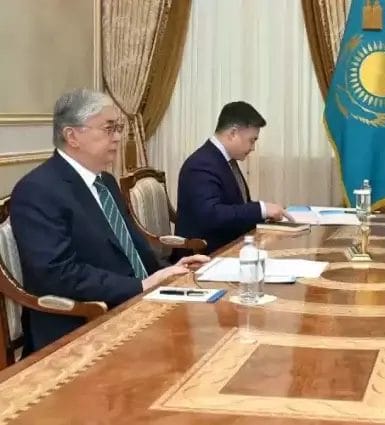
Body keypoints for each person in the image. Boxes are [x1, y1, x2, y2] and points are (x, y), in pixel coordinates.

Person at [11, 89, 209, 352]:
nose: (117, 137)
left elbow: (130, 247)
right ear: (72, 136)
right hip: (83, 321)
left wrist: (168, 270)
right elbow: (57, 275)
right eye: (109, 128)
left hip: (133, 301)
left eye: (118, 128)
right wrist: (140, 286)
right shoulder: (37, 190)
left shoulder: (106, 182)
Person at [174, 101, 291, 257]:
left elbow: (236, 205)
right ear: (233, 133)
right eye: (252, 140)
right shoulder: (201, 164)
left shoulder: (224, 159)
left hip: (230, 247)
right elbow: (212, 215)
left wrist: (267, 215)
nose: (253, 148)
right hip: (204, 256)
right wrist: (261, 209)